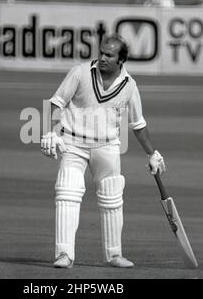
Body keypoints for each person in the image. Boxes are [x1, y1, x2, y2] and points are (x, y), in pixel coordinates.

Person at [41, 34, 166, 268]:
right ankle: (64, 254)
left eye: (109, 55)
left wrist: (152, 153)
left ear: (121, 60)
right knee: (67, 195)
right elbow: (56, 103)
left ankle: (114, 255)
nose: (102, 58)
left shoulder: (129, 85)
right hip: (73, 143)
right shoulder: (80, 72)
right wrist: (51, 132)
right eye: (101, 53)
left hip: (107, 146)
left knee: (111, 199)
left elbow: (137, 124)